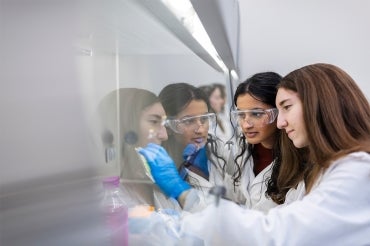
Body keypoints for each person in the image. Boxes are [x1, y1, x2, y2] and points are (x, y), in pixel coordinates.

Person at [179, 63, 370, 245]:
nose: (280, 122)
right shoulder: (330, 166)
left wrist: (187, 199)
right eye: (240, 115)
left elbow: (278, 233)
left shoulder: (357, 172)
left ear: (319, 105)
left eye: (286, 107)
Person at [97, 87, 180, 210]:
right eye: (154, 121)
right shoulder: (104, 195)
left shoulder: (156, 185)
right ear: (125, 127)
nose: (164, 135)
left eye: (164, 124)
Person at [157, 82, 230, 207]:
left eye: (204, 119)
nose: (200, 130)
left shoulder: (215, 150)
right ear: (168, 126)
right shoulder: (163, 171)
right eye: (189, 121)